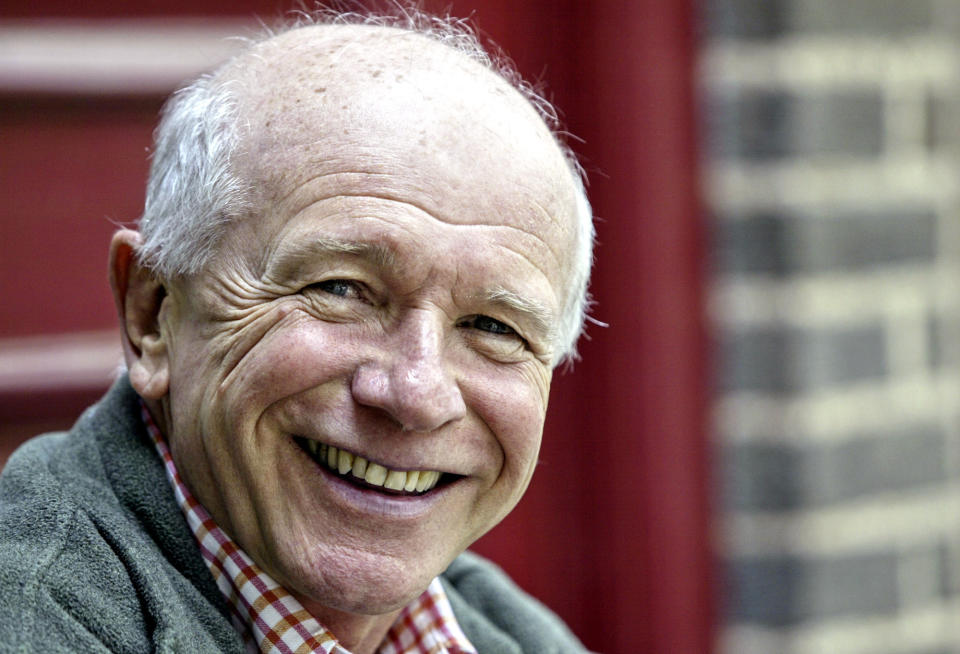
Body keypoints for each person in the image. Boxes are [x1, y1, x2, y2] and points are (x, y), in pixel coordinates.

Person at [0, 7, 593, 653]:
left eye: (492, 326)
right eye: (340, 289)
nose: (418, 395)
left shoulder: (514, 632)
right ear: (152, 312)